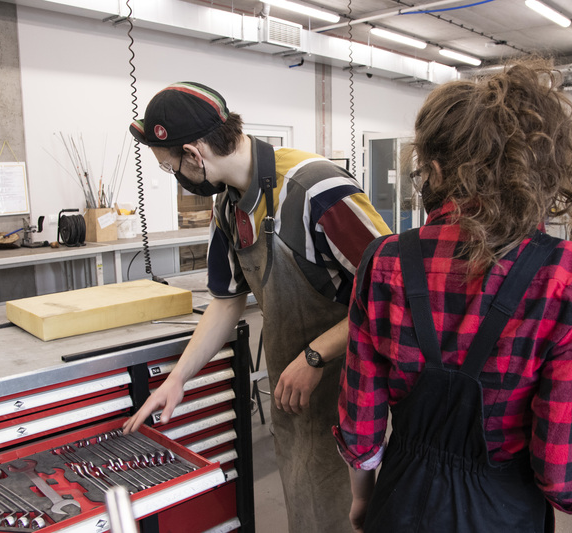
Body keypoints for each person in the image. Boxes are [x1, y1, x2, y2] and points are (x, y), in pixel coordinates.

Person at [333, 60, 572, 532]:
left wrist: (363, 501)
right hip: (504, 513)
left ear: (436, 167)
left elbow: (361, 427)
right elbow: (567, 477)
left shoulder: (384, 260)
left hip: (399, 503)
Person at [122, 81, 392, 532]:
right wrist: (177, 380)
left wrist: (316, 355)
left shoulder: (314, 188)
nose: (179, 178)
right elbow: (226, 302)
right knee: (310, 507)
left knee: (359, 513)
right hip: (297, 393)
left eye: (171, 168)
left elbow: (390, 292)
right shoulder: (229, 207)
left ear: (193, 155)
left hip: (356, 387)